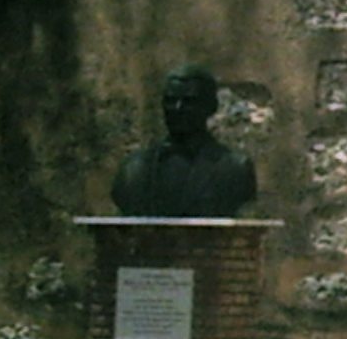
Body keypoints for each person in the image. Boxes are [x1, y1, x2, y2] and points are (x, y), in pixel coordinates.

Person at [111, 64, 260, 223]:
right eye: (170, 101)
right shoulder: (133, 170)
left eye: (189, 102)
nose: (177, 108)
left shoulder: (234, 169)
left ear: (211, 106)